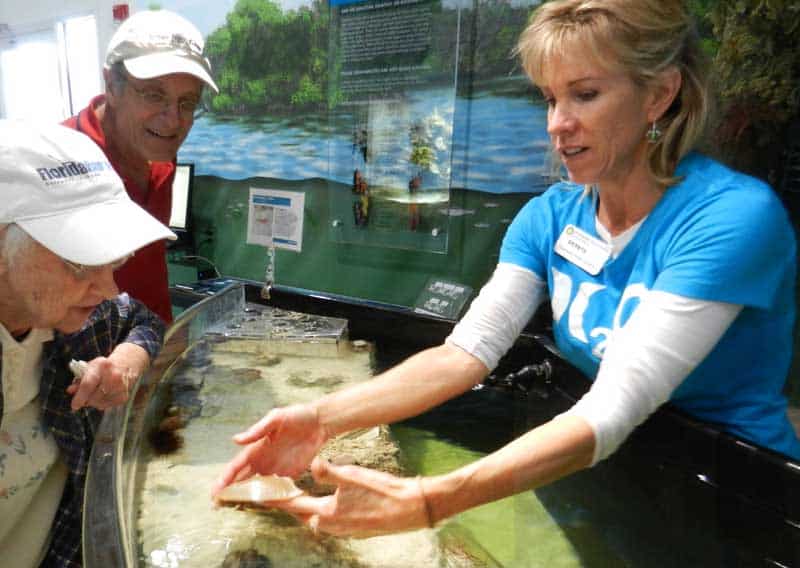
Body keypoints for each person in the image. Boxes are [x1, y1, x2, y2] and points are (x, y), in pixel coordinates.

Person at [212, 0, 800, 537]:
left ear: (659, 94)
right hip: (606, 469)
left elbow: (617, 402)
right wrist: (320, 418)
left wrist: (427, 501)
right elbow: (466, 352)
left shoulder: (730, 218)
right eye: (549, 98)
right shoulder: (550, 215)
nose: (557, 124)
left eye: (585, 95)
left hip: (730, 494)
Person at [0, 120, 175, 566]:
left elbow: (143, 321)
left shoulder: (79, 318)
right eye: (80, 260)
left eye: (114, 259)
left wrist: (128, 360)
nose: (108, 286)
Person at [63, 9, 218, 324]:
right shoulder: (57, 161)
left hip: (153, 342)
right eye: (153, 95)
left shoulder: (161, 153)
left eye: (187, 102)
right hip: (84, 364)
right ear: (111, 85)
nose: (173, 120)